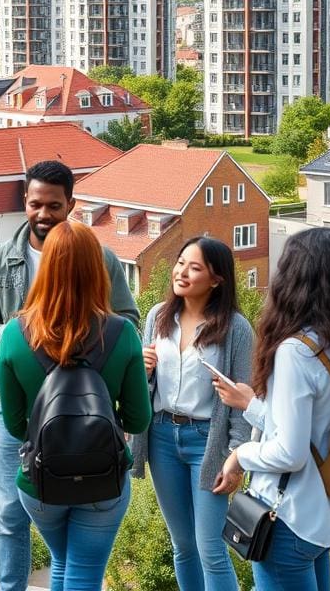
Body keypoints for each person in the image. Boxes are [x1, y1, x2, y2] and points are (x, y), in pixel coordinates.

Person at [0, 159, 139, 591]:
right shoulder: (0, 259)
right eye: (35, 204)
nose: (43, 215)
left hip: (87, 411)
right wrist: (24, 337)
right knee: (10, 514)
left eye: (53, 206)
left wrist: (60, 343)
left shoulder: (98, 256)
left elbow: (126, 318)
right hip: (21, 406)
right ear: (24, 202)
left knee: (66, 550)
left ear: (71, 205)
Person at [212, 228, 330, 591]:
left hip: (288, 518)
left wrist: (240, 456)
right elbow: (315, 429)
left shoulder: (296, 351)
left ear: (292, 281)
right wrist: (252, 405)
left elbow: (289, 453)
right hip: (323, 518)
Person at [0, 221, 151, 590]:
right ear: (97, 270)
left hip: (41, 481)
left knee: (63, 562)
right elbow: (139, 418)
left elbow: (16, 425)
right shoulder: (121, 332)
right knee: (83, 570)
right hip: (103, 478)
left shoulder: (15, 335)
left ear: (45, 269)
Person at [130, 236, 253, 591]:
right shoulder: (157, 316)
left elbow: (242, 399)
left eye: (194, 267)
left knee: (211, 547)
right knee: (183, 546)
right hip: (163, 437)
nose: (182, 272)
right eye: (181, 262)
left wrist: (236, 458)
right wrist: (143, 369)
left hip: (207, 443)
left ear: (216, 279)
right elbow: (141, 387)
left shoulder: (235, 328)